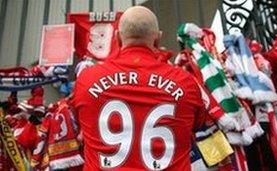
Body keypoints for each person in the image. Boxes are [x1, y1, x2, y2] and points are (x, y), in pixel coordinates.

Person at [71, 6, 238, 171]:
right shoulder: (186, 82)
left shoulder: (86, 80)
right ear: (157, 39)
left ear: (118, 38)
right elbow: (198, 124)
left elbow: (80, 124)